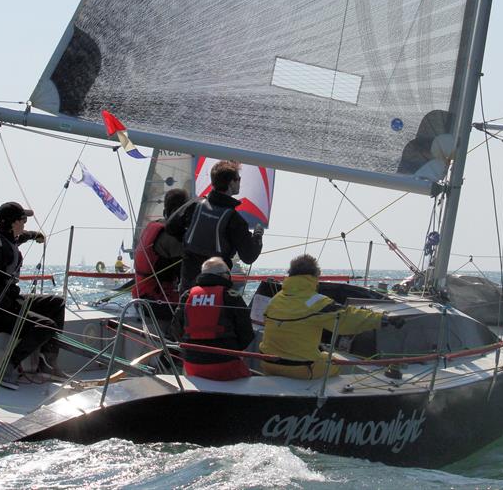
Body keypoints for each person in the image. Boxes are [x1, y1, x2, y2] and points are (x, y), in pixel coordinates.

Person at [0, 201, 65, 390]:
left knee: (57, 303)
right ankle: (6, 369)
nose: (25, 224)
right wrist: (10, 307)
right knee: (46, 326)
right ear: (13, 222)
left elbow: (19, 239)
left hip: (10, 301)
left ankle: (47, 363)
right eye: (23, 220)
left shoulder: (7, 237)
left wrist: (34, 236)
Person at [259, 254, 392, 380]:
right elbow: (347, 319)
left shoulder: (275, 299)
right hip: (300, 369)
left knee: (320, 353)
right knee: (335, 363)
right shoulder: (318, 303)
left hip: (268, 364)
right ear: (315, 277)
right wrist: (382, 319)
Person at [166, 160, 263, 292]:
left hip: (189, 282)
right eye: (238, 179)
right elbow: (248, 256)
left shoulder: (195, 204)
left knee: (187, 309)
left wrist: (188, 242)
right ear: (231, 183)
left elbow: (171, 226)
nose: (240, 182)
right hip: (217, 284)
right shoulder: (235, 220)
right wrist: (258, 235)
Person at [173, 257, 255, 380]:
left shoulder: (187, 296)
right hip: (225, 364)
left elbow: (176, 330)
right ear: (224, 275)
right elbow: (247, 334)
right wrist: (231, 349)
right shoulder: (231, 296)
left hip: (192, 363)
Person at [132, 188, 188, 335]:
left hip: (141, 298)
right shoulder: (170, 238)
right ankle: (172, 354)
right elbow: (187, 273)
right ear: (180, 211)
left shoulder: (153, 227)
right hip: (157, 302)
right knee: (199, 312)